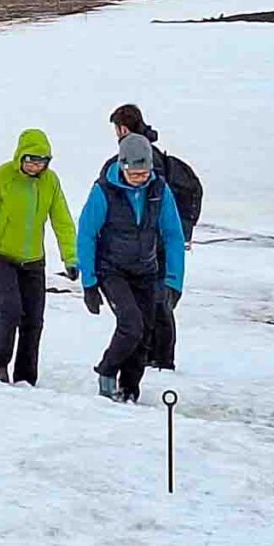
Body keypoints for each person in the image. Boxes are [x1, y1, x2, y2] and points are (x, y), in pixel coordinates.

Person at [0, 128, 78, 385]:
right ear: (20, 157)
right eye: (31, 160)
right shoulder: (2, 177)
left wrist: (71, 258)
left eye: (42, 161)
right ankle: (0, 365)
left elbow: (62, 221)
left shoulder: (51, 182)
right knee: (10, 308)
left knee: (34, 318)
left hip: (33, 258)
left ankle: (26, 377)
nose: (36, 166)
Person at [76, 131, 184, 403]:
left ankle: (130, 389)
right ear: (122, 166)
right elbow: (86, 234)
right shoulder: (104, 190)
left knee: (146, 331)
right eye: (134, 173)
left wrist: (174, 281)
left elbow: (173, 234)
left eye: (144, 172)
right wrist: (89, 283)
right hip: (112, 270)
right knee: (131, 325)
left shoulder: (159, 191)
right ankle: (107, 371)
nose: (140, 178)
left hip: (146, 270)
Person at [109, 104, 202, 369]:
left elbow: (151, 199)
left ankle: (160, 359)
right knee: (153, 301)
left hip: (152, 241)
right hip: (153, 240)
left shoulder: (143, 155)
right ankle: (156, 356)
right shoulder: (153, 150)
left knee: (157, 302)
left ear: (122, 128)